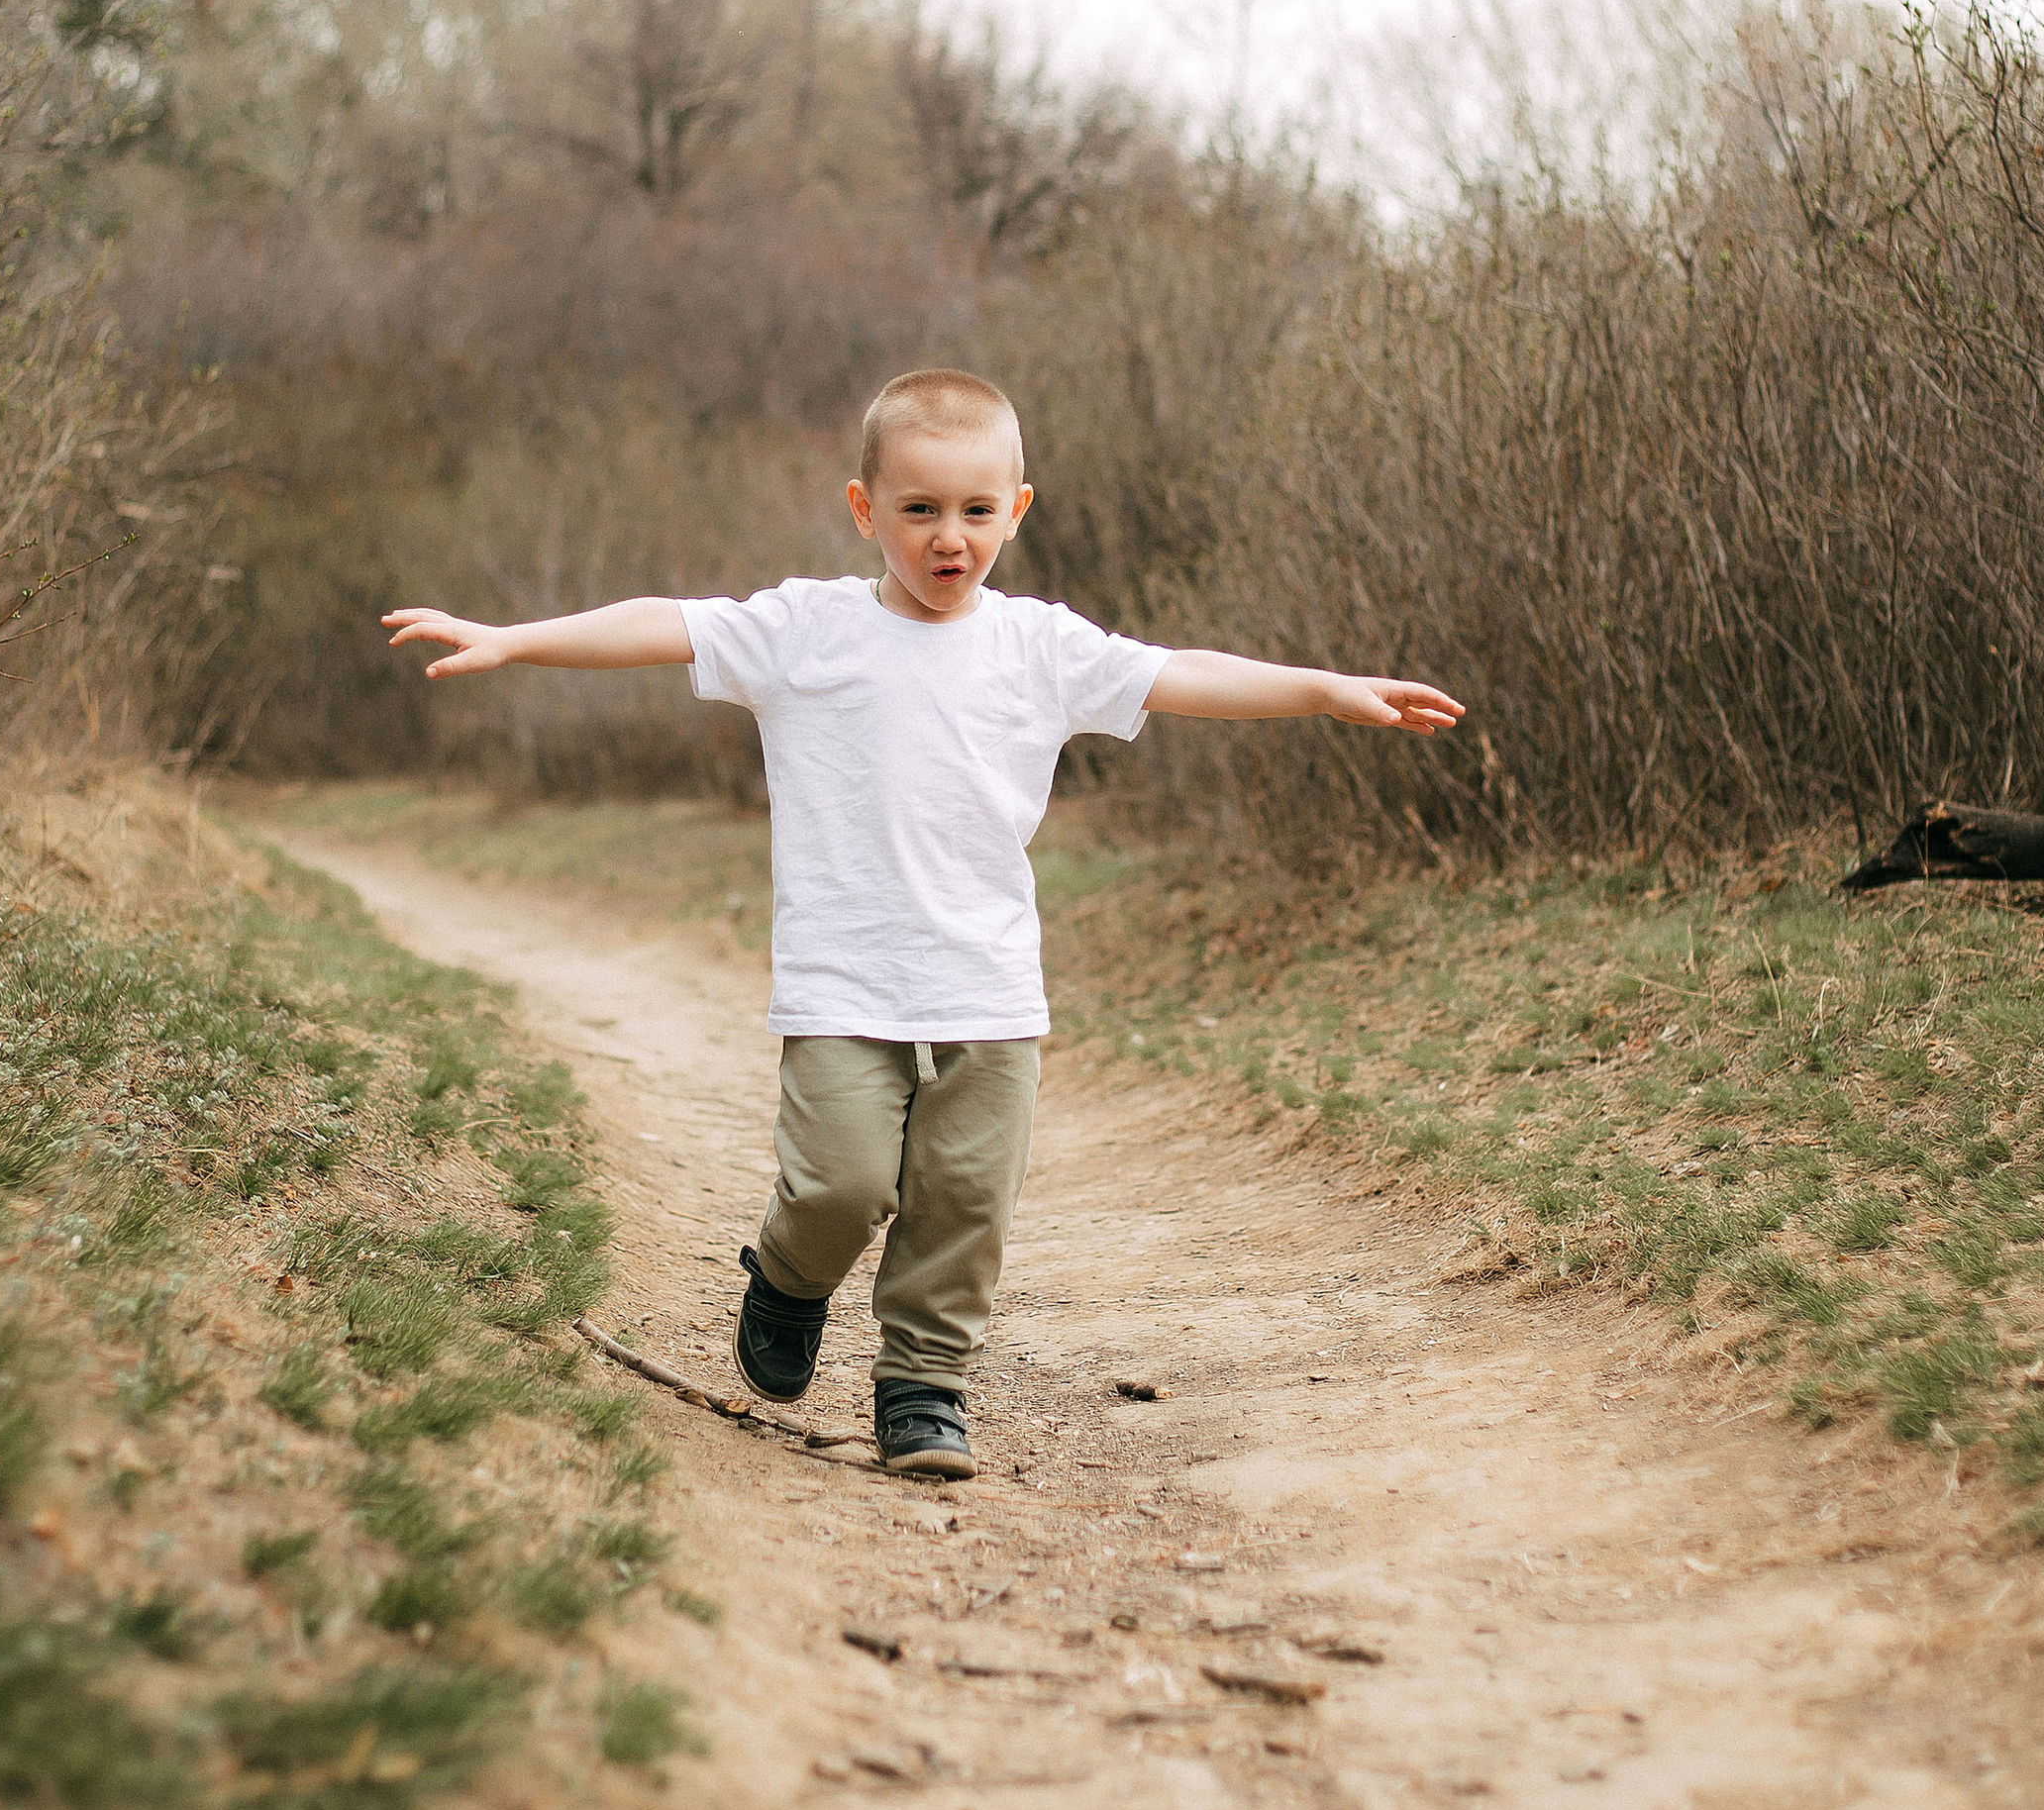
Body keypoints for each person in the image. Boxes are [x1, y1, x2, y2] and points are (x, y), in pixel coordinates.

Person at [381, 366, 1463, 1482]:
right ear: (865, 509)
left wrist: (1325, 687)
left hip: (988, 988)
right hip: (845, 983)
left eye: (976, 511)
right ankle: (791, 1280)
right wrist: (511, 636)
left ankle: (922, 1388)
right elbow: (664, 625)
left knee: (963, 1202)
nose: (950, 538)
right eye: (919, 510)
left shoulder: (1040, 647)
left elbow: (1181, 674)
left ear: (1017, 510)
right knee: (841, 1185)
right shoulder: (806, 631)